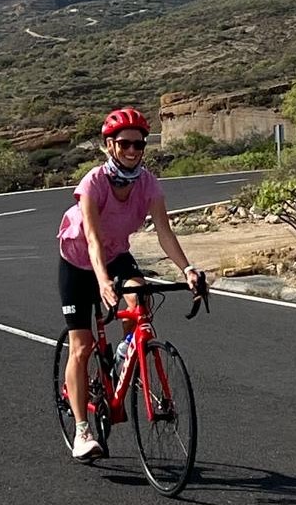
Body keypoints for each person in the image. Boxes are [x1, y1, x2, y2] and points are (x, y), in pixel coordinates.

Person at [56, 106, 204, 461]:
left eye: (139, 145)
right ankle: (82, 431)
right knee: (82, 346)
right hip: (78, 260)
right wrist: (103, 283)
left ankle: (126, 349)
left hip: (117, 254)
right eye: (124, 144)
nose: (133, 151)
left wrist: (187, 270)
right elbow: (91, 237)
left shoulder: (148, 183)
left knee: (140, 296)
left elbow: (164, 233)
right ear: (110, 146)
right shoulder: (94, 182)